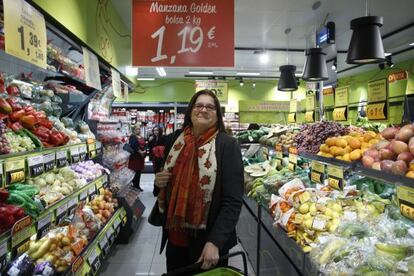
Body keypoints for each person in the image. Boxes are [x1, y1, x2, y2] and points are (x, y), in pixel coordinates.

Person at [154, 89, 244, 273]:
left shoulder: (227, 145)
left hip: (207, 244)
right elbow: (163, 183)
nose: (203, 110)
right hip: (175, 237)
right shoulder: (175, 140)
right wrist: (159, 182)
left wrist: (215, 242)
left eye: (210, 107)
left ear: (217, 115)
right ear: (191, 111)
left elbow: (232, 201)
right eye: (199, 105)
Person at [128, 124, 146, 192]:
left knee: (139, 172)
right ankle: (134, 186)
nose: (138, 130)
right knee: (134, 172)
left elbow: (144, 144)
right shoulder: (133, 136)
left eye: (139, 129)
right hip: (135, 157)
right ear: (134, 130)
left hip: (140, 157)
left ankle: (137, 185)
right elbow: (133, 145)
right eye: (136, 129)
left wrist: (144, 151)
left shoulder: (141, 136)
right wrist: (140, 151)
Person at [148, 126, 165, 196]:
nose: (155, 132)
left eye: (157, 130)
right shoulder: (152, 139)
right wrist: (149, 141)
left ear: (160, 131)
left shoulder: (163, 138)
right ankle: (156, 190)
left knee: (160, 174)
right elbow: (150, 147)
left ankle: (160, 190)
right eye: (154, 130)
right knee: (156, 174)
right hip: (155, 159)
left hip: (161, 159)